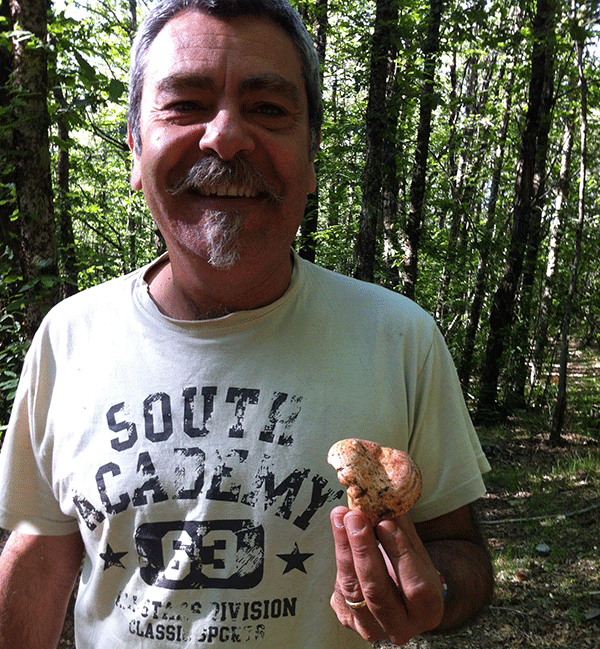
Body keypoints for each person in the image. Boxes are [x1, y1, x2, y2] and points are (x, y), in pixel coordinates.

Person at [0, 0, 493, 647]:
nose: (226, 137)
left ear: (311, 155)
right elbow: (41, 545)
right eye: (185, 104)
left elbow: (458, 546)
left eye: (267, 109)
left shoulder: (398, 337)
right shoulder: (69, 338)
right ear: (134, 151)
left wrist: (435, 592)